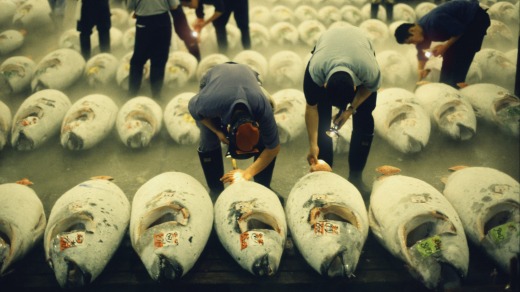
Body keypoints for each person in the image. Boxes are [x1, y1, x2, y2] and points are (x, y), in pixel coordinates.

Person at [304, 26, 381, 197]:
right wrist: (313, 145)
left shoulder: (369, 70)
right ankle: (325, 174)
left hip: (360, 50)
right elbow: (311, 108)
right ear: (324, 85)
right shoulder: (315, 72)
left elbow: (369, 88)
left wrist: (350, 109)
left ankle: (356, 176)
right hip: (327, 50)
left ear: (355, 86)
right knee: (323, 120)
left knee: (364, 115)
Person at [188, 62, 280, 197]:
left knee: (266, 141)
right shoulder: (209, 103)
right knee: (208, 140)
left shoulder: (263, 108)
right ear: (229, 128)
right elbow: (193, 109)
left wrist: (247, 173)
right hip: (214, 80)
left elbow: (273, 148)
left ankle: (264, 186)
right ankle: (216, 190)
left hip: (249, 76)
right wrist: (217, 131)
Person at [394, 0, 490, 88]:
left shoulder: (435, 21)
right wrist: (420, 69)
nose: (413, 44)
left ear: (412, 30)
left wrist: (444, 47)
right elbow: (421, 52)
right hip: (463, 25)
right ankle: (445, 84)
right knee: (450, 54)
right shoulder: (421, 31)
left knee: (463, 51)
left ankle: (457, 84)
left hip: (476, 18)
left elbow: (459, 31)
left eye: (411, 41)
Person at [126, 0, 180, 99]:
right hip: (162, 22)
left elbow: (130, 6)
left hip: (143, 23)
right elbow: (174, 6)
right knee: (159, 60)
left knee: (138, 60)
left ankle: (131, 95)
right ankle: (156, 96)